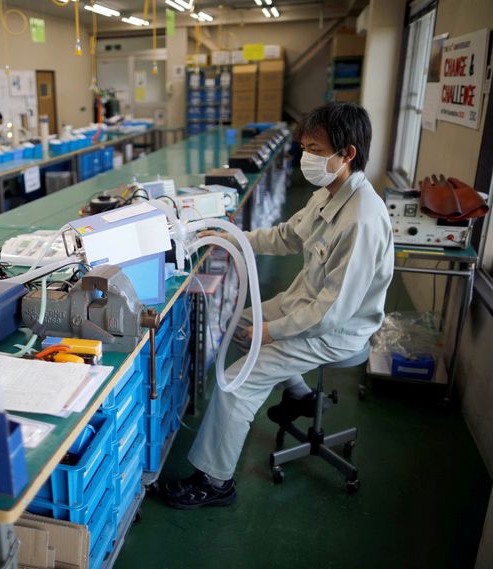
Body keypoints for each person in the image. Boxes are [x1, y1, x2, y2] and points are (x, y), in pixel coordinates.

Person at [164, 101, 394, 509]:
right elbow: (287, 236)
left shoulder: (363, 219)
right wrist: (227, 234)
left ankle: (214, 483)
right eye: (304, 146)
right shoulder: (331, 193)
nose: (307, 156)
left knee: (236, 384)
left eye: (317, 149)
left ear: (348, 154)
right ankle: (301, 394)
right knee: (237, 323)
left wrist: (269, 334)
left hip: (335, 330)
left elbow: (331, 312)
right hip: (304, 305)